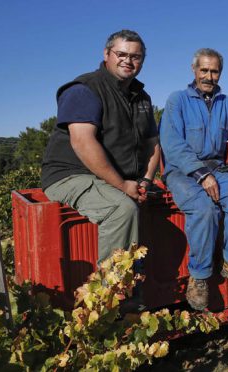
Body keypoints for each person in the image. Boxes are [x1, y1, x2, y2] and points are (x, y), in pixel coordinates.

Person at [41, 29, 160, 265]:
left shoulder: (141, 97)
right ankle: (113, 296)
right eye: (121, 54)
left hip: (112, 179)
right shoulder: (84, 89)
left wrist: (145, 181)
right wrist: (123, 185)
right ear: (107, 54)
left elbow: (152, 143)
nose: (128, 60)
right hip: (72, 175)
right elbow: (83, 142)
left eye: (136, 57)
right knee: (121, 209)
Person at [159, 48, 228, 311]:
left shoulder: (227, 104)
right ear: (194, 71)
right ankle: (199, 275)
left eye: (214, 71)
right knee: (205, 210)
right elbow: (171, 145)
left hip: (216, 169)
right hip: (182, 172)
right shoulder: (178, 101)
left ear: (220, 73)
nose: (208, 75)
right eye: (204, 70)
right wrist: (201, 174)